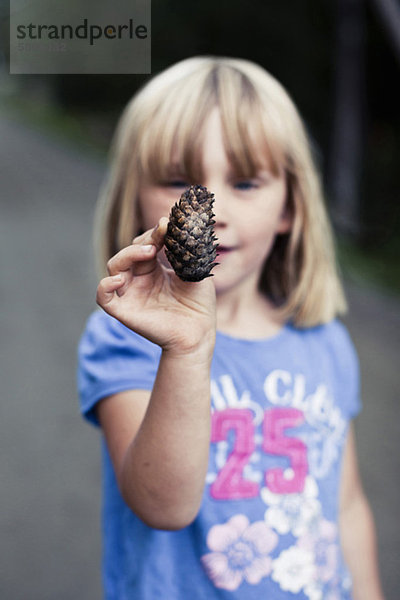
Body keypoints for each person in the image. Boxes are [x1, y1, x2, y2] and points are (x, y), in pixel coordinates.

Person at [77, 56, 384, 599]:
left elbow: (346, 502)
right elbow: (163, 505)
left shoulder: (324, 341)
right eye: (177, 180)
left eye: (245, 182)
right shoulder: (125, 340)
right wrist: (189, 349)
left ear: (290, 205)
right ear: (135, 196)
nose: (210, 211)